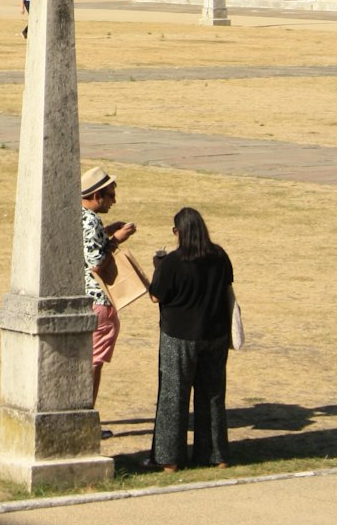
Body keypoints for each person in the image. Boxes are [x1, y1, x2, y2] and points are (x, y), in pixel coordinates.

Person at [148, 207, 234, 472]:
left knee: (174, 397)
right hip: (215, 333)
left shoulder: (173, 262)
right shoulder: (219, 255)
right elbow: (228, 285)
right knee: (212, 395)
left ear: (178, 232)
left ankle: (169, 459)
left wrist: (157, 268)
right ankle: (215, 455)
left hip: (180, 335)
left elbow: (156, 295)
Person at [81, 166, 137, 422]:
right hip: (98, 299)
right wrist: (115, 240)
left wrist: (106, 234)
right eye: (110, 195)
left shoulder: (78, 216)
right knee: (94, 362)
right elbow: (95, 263)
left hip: (82, 298)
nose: (114, 200)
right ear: (96, 196)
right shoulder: (91, 220)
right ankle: (86, 417)